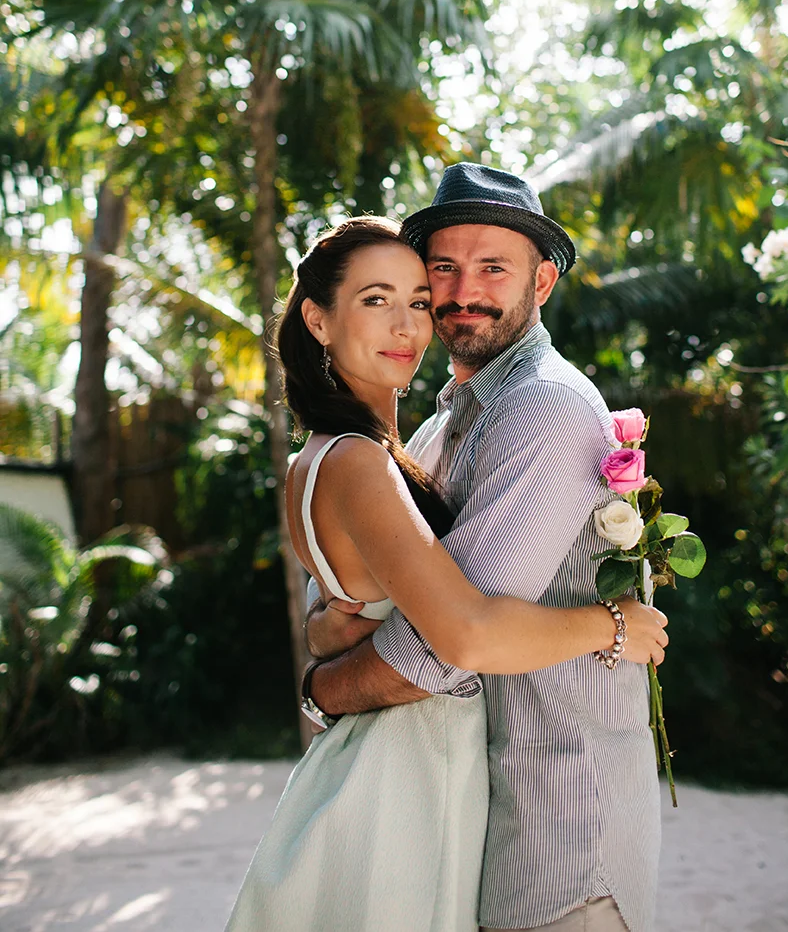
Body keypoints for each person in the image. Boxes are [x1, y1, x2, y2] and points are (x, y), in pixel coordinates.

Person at [225, 205, 667, 932]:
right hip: (416, 775)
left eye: (493, 267)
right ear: (317, 320)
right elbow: (460, 634)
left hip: (556, 826)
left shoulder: (534, 409)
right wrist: (614, 625)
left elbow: (359, 622)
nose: (457, 294)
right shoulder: (390, 450)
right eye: (440, 272)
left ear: (541, 282)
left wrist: (324, 669)